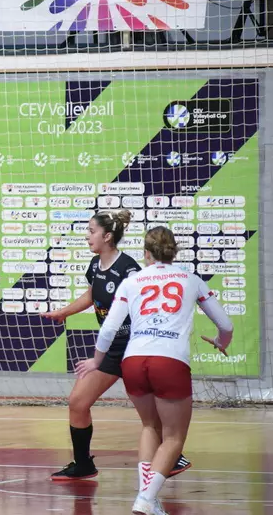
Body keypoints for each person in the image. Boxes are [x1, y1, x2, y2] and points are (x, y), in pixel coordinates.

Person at [75, 225, 233, 515]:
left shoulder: (132, 281)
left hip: (133, 360)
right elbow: (226, 324)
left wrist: (96, 361)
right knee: (173, 438)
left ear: (146, 253)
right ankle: (146, 498)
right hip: (169, 361)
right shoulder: (191, 280)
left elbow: (108, 329)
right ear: (174, 251)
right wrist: (221, 342)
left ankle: (147, 497)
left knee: (150, 427)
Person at [42, 211, 190, 480]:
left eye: (91, 231)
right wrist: (64, 312)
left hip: (135, 347)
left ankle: (172, 457)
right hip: (111, 350)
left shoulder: (129, 269)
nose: (87, 236)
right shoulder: (94, 265)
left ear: (107, 236)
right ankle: (83, 464)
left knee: (151, 415)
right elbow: (91, 294)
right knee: (77, 402)